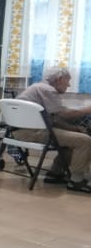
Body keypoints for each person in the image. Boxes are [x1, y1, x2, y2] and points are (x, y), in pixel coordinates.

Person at [15, 66, 91, 194]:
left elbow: (53, 119)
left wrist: (73, 128)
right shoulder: (47, 89)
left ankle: (55, 173)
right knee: (84, 140)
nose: (69, 85)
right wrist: (87, 110)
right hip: (32, 132)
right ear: (59, 79)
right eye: (68, 81)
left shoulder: (37, 87)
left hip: (20, 131)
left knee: (73, 139)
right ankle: (76, 181)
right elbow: (64, 114)